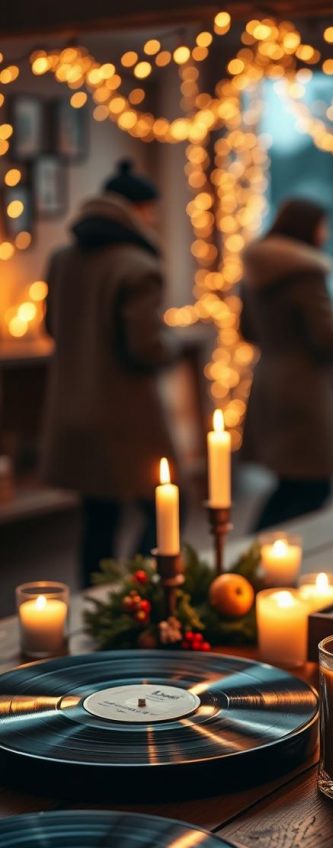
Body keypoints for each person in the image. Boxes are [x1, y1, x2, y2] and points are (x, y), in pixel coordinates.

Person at [42, 159, 179, 586]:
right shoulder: (137, 264)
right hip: (125, 418)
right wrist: (170, 345)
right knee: (170, 506)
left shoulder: (63, 258)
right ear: (135, 210)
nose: (153, 219)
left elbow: (51, 327)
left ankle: (94, 605)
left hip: (71, 411)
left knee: (98, 519)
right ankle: (136, 591)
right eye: (150, 210)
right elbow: (145, 347)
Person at [240, 198, 333, 531]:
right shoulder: (307, 274)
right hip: (306, 389)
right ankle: (257, 553)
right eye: (321, 226)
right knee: (312, 487)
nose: (325, 235)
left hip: (270, 378)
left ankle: (258, 553)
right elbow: (329, 340)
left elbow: (247, 331)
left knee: (290, 483)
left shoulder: (256, 270)